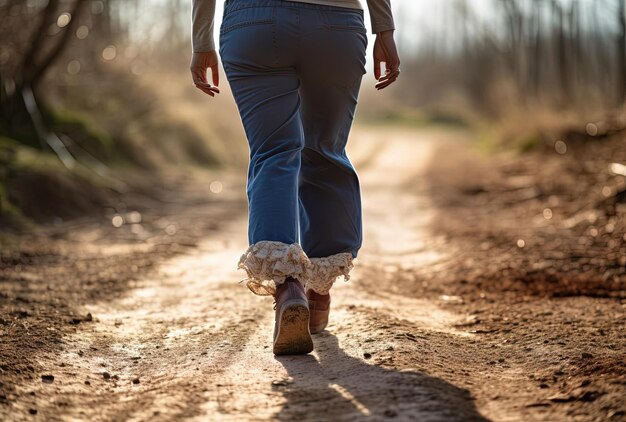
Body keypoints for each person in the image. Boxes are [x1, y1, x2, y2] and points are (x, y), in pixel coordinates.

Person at [190, 0, 400, 355]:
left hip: (253, 24)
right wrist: (385, 29)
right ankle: (318, 295)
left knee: (274, 153)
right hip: (335, 24)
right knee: (323, 152)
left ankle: (289, 289)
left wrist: (201, 40)